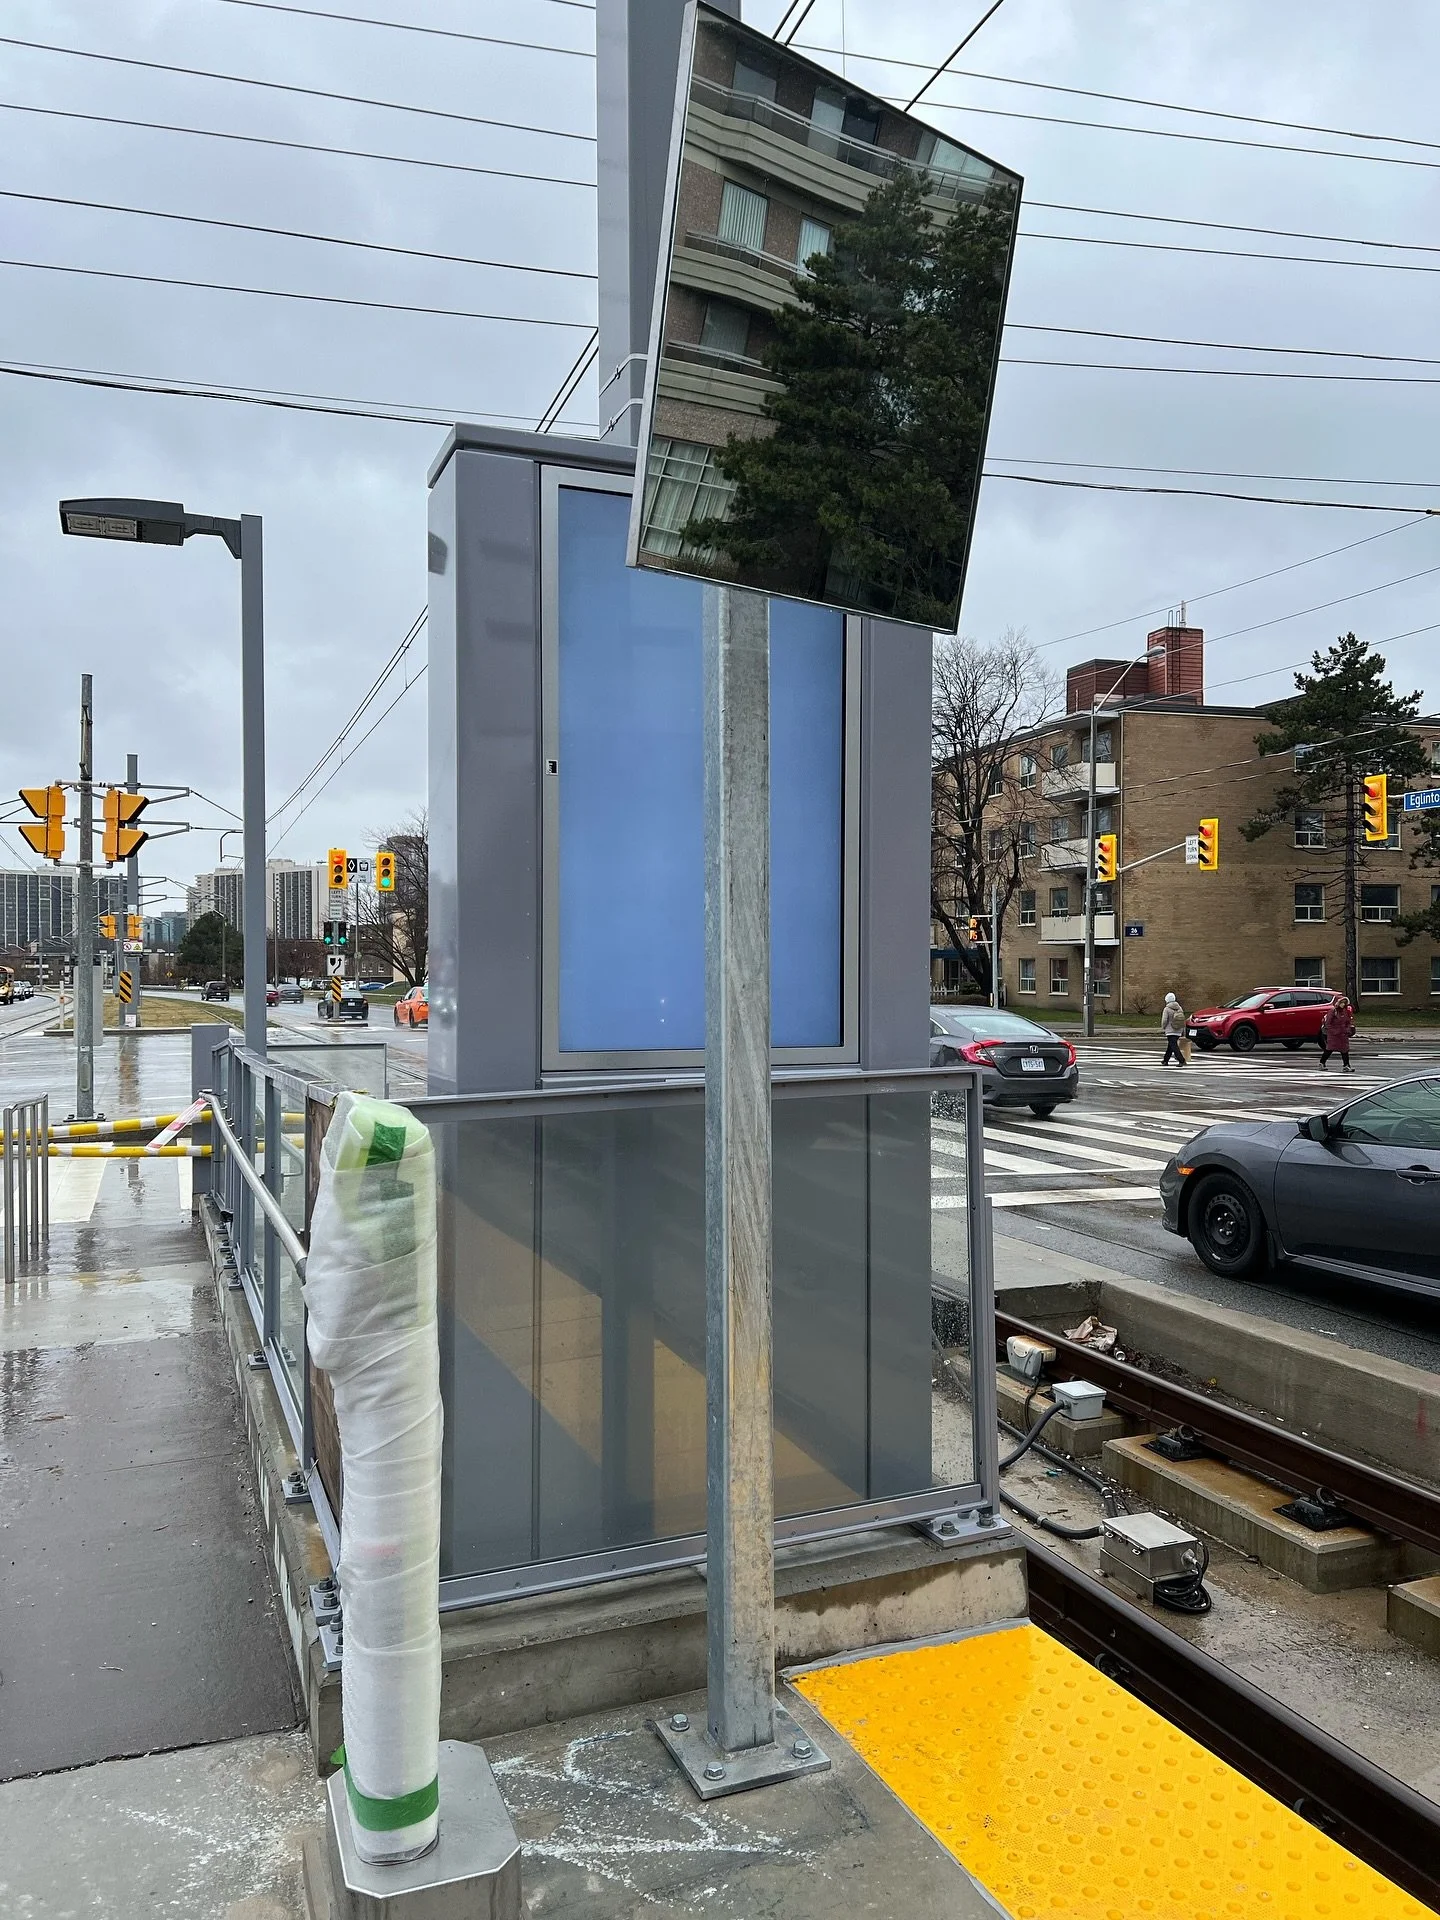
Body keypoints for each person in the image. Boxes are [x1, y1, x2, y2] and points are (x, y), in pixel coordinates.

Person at [1320, 995, 1355, 1072]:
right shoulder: (1333, 1011)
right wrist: (1334, 1031)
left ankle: (1346, 1065)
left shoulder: (1345, 1011)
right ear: (1338, 1003)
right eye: (1341, 1003)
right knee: (1330, 1049)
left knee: (1345, 1050)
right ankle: (1322, 1062)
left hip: (1343, 1034)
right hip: (1334, 1035)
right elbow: (1328, 1023)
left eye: (1344, 1003)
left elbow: (1348, 1022)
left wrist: (1347, 1030)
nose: (1343, 1004)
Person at [1161, 990, 1187, 1066]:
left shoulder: (1167, 1009)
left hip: (1170, 1030)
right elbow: (1182, 1018)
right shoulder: (1179, 1008)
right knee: (1170, 1046)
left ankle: (1181, 1060)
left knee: (1173, 1045)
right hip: (1178, 1029)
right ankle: (1165, 1060)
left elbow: (1164, 1020)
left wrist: (1163, 1027)